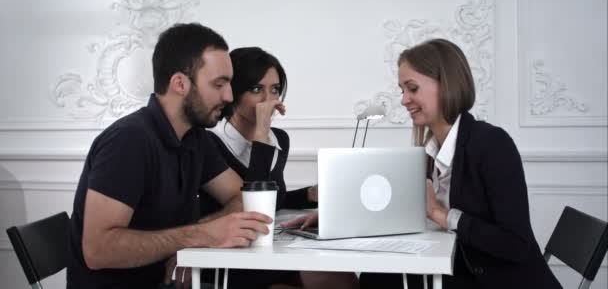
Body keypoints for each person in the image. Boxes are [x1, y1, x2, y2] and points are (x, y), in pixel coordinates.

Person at [284, 39, 563, 289]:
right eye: (402, 89)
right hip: (464, 268)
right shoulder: (432, 152)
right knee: (376, 278)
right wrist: (338, 217)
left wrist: (441, 215)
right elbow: (403, 208)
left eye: (412, 88)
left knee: (380, 281)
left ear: (446, 84)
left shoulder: (491, 144)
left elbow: (515, 244)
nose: (404, 100)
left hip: (496, 279)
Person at [66, 23, 272, 289]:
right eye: (219, 84)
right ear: (180, 84)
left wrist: (190, 241)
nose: (229, 95)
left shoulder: (196, 138)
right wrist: (197, 236)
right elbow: (98, 250)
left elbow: (240, 197)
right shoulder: (128, 141)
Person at [200, 46, 358, 289]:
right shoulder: (211, 142)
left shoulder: (279, 140)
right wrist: (261, 132)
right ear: (234, 92)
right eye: (256, 90)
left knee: (343, 279)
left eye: (274, 90)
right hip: (232, 258)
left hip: (268, 250)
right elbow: (254, 204)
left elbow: (273, 200)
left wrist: (308, 195)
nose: (269, 100)